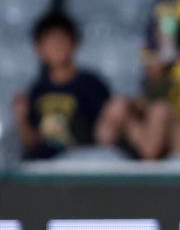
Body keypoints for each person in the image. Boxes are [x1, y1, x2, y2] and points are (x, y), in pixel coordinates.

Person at [97, 16, 180, 159]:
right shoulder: (171, 78)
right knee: (119, 105)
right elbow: (146, 105)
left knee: (161, 111)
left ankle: (144, 159)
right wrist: (126, 106)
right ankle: (105, 158)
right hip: (161, 149)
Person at [14, 12, 110, 160]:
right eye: (50, 42)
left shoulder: (91, 84)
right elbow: (31, 142)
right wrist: (21, 118)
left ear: (74, 43)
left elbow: (105, 134)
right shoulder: (37, 89)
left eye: (61, 41)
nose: (56, 47)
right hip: (45, 167)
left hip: (82, 163)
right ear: (39, 49)